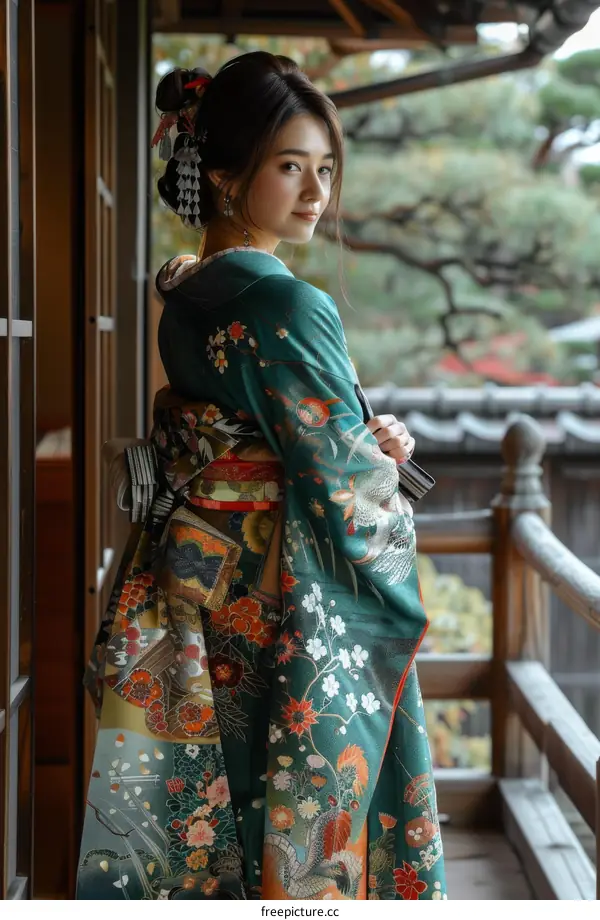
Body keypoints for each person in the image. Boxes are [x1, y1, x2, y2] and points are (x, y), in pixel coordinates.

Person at [76, 51, 446, 901]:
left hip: (197, 593)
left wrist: (363, 438)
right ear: (222, 173)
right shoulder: (287, 302)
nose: (316, 192)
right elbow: (343, 488)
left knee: (217, 819)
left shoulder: (186, 292)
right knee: (289, 819)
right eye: (290, 167)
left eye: (325, 169)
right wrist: (380, 467)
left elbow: (289, 430)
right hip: (276, 604)